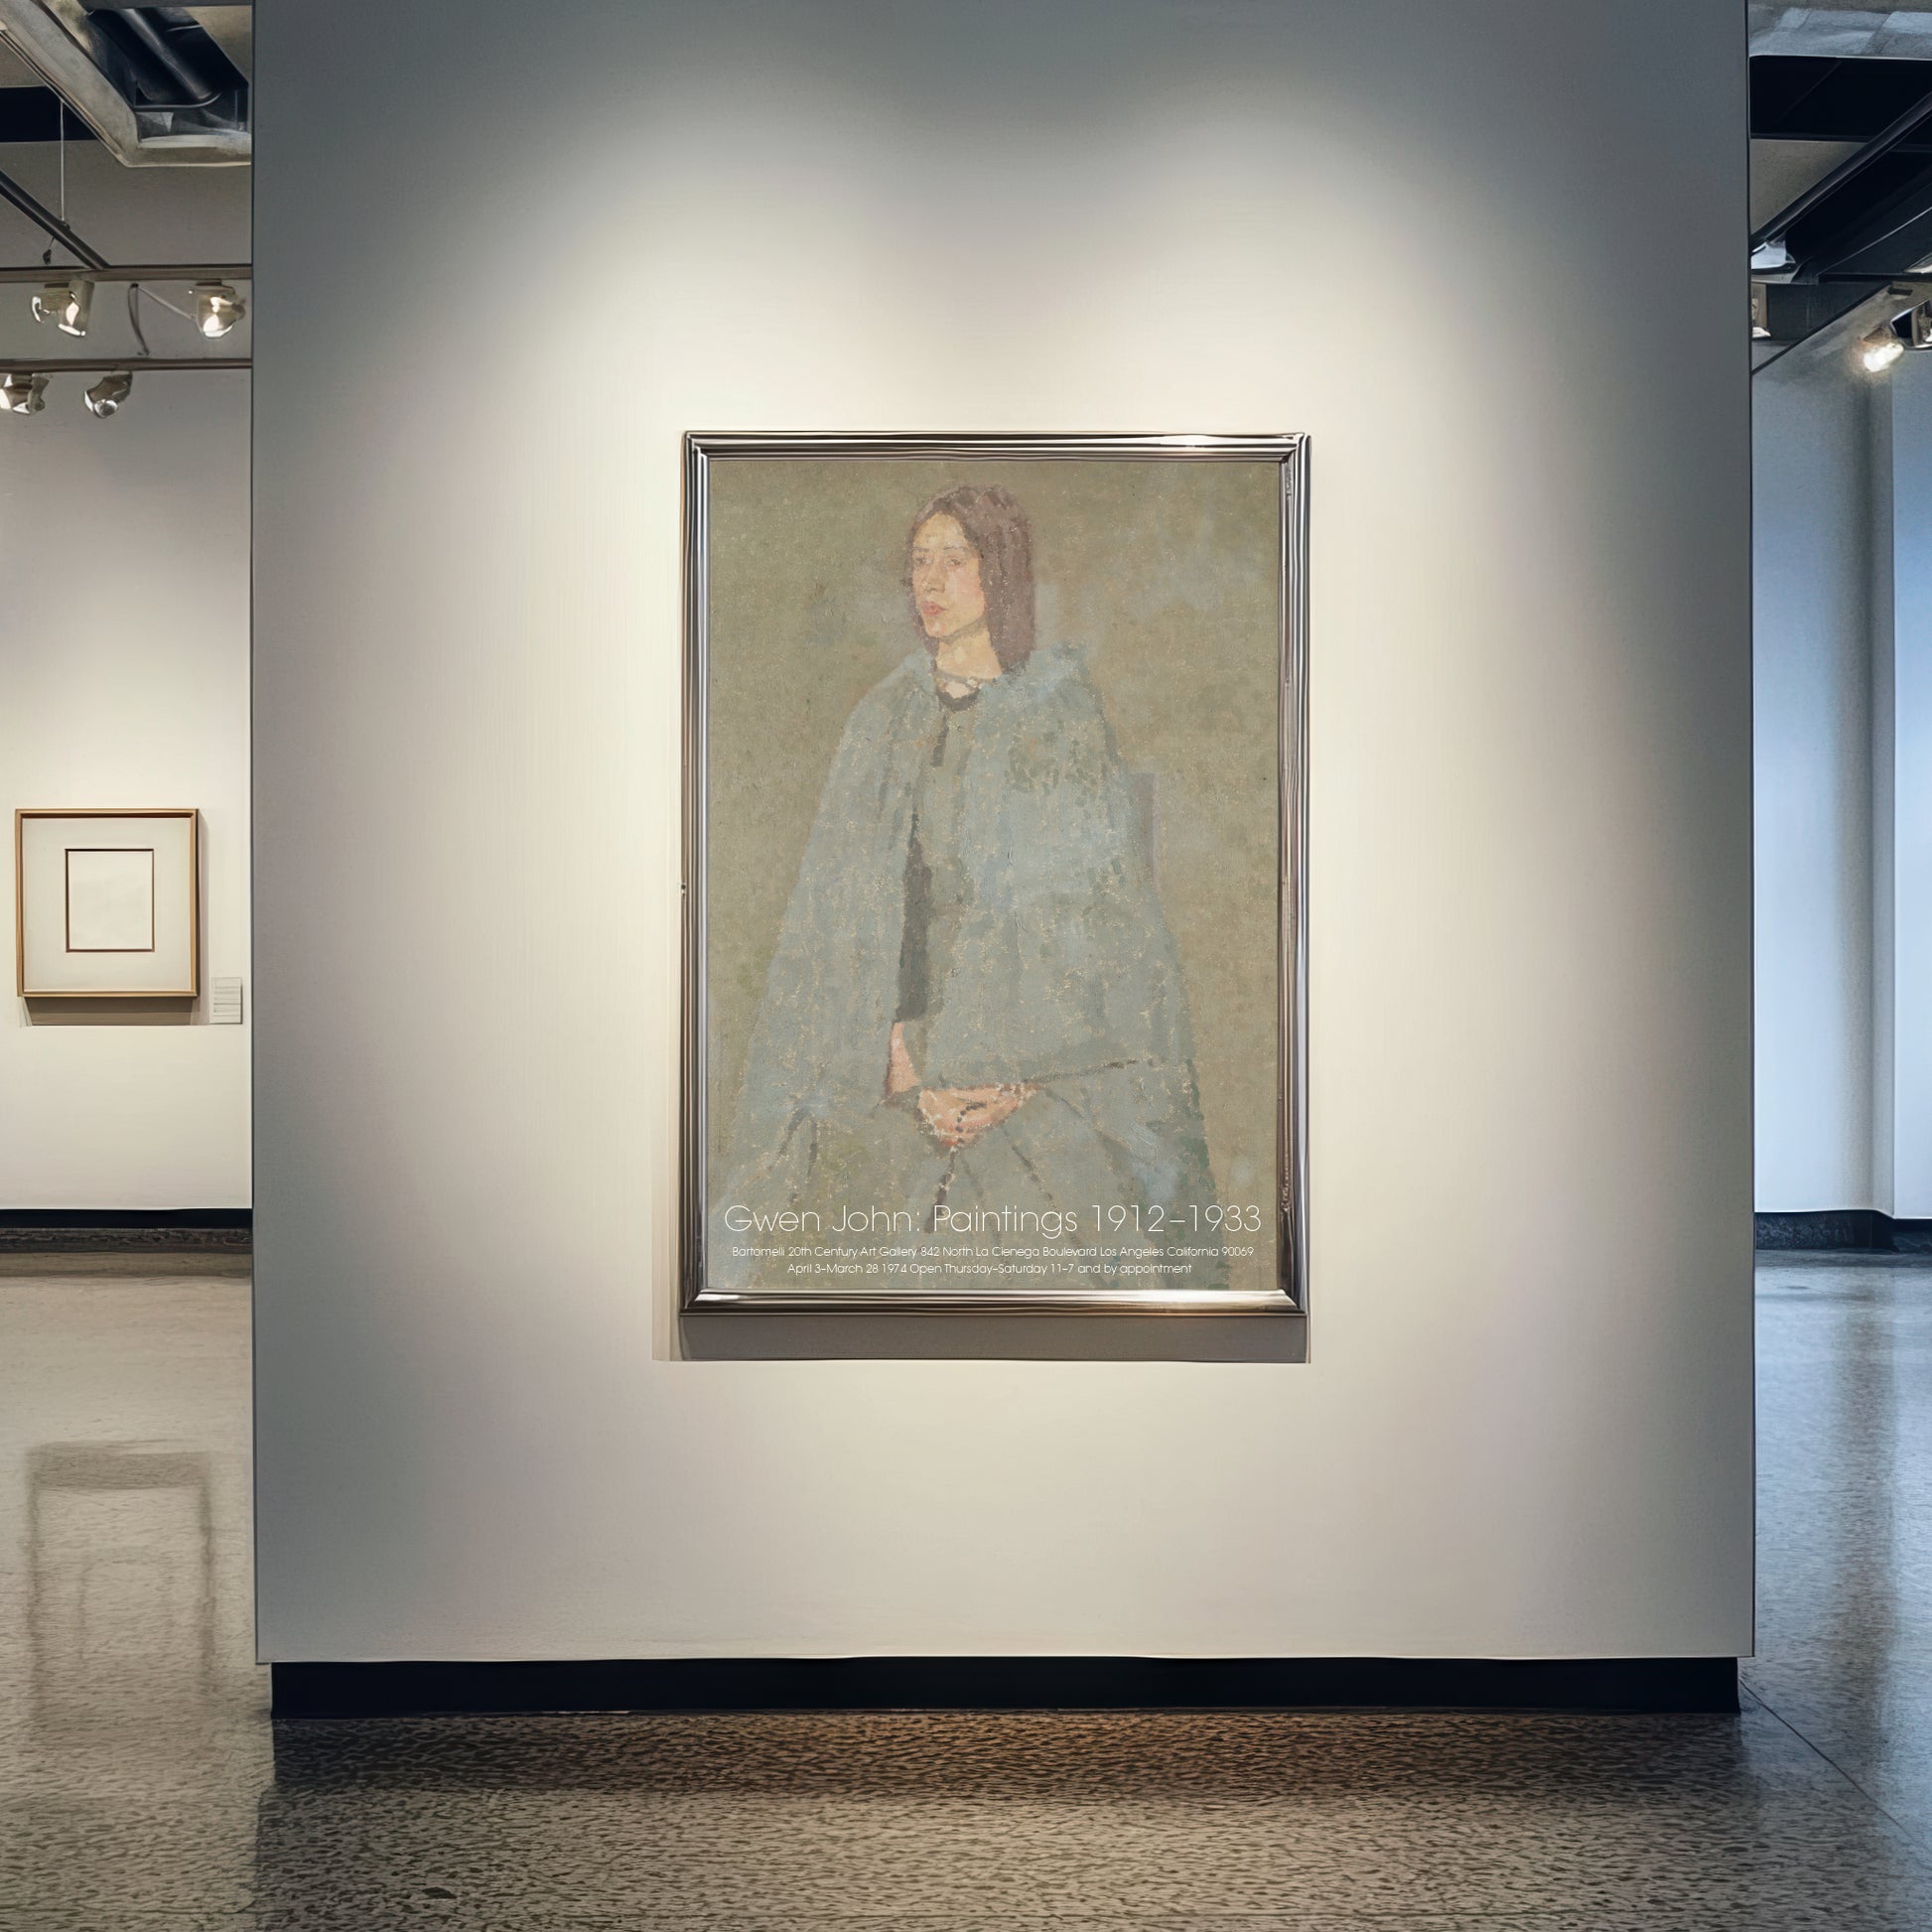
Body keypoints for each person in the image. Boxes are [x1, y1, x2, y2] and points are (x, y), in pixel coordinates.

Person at [714, 482, 1217, 1283]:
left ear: (1001, 572)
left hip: (1041, 1082)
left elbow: (1099, 939)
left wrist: (984, 1063)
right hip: (887, 1080)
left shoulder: (1059, 718)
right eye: (920, 562)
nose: (932, 582)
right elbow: (832, 925)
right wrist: (899, 1060)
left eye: (956, 559)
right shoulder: (881, 721)